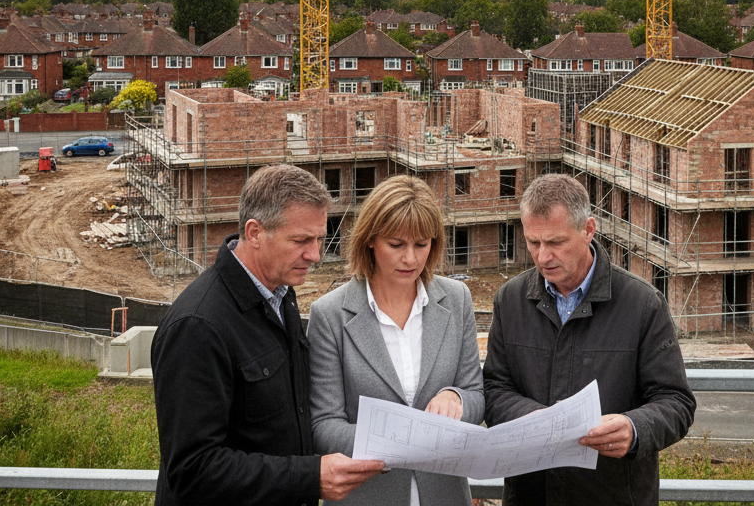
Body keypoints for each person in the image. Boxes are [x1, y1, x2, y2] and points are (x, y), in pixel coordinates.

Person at [151, 164, 385, 505]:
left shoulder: (279, 293)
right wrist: (308, 477)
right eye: (301, 240)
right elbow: (191, 470)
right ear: (255, 232)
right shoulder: (197, 326)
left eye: (319, 238)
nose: (315, 255)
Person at [483, 173, 696, 506]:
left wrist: (634, 427)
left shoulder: (643, 304)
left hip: (614, 496)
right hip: (531, 496)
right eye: (533, 242)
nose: (542, 257)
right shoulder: (509, 300)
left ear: (588, 230)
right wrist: (534, 419)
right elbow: (494, 389)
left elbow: (676, 402)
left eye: (555, 242)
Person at [308, 175, 484, 506]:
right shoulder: (329, 314)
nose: (411, 259)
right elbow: (324, 426)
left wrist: (456, 398)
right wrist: (404, 440)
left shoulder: (457, 298)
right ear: (370, 240)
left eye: (421, 244)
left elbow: (476, 395)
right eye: (396, 244)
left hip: (445, 496)